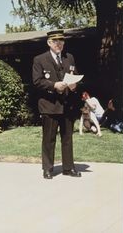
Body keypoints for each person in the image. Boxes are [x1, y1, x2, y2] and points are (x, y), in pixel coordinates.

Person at [32, 29, 81, 179]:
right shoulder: (39, 59)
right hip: (49, 105)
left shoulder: (69, 57)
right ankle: (47, 168)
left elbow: (75, 75)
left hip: (67, 105)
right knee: (49, 138)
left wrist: (74, 85)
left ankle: (68, 168)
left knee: (67, 138)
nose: (58, 44)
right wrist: (54, 86)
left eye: (61, 41)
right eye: (55, 41)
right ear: (49, 43)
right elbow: (37, 81)